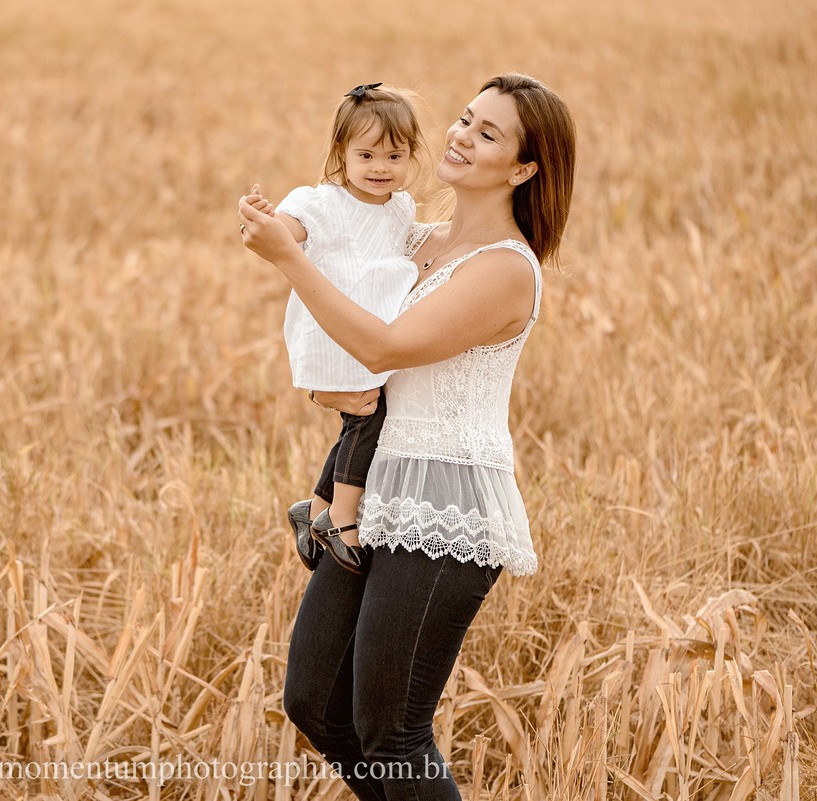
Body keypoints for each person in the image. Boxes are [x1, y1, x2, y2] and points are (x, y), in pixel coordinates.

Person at [238, 73, 576, 800]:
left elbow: (388, 345)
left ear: (522, 168)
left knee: (392, 727)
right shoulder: (412, 236)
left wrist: (287, 260)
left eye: (488, 133)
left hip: (445, 504)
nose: (460, 134)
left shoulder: (507, 271)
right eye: (463, 118)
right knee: (315, 703)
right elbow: (340, 250)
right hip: (376, 487)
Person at [263, 83, 427, 576]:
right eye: (367, 154)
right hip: (335, 330)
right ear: (341, 153)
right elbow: (286, 230)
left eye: (394, 155)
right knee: (368, 417)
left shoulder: (400, 207)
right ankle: (341, 516)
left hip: (373, 329)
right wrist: (265, 220)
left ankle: (314, 507)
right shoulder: (323, 201)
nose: (381, 167)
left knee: (365, 416)